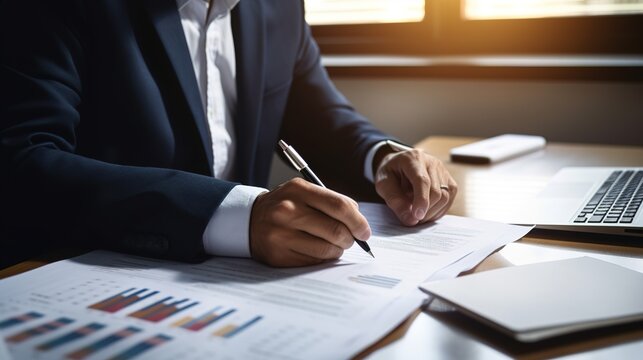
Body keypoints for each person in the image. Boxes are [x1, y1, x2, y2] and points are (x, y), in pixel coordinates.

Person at [0, 0, 457, 269]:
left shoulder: (278, 7)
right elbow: (22, 161)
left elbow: (317, 113)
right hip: (86, 273)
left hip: (242, 289)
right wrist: (240, 217)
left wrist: (382, 156)